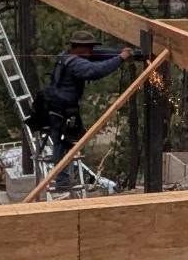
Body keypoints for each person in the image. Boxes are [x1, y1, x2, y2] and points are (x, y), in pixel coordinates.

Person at [42, 31, 134, 170]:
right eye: (88, 47)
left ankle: (61, 181)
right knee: (64, 145)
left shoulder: (66, 56)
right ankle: (61, 182)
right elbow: (95, 70)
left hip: (57, 108)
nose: (91, 51)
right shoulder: (76, 63)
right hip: (63, 111)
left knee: (63, 144)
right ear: (78, 47)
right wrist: (120, 58)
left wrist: (118, 53)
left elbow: (99, 55)